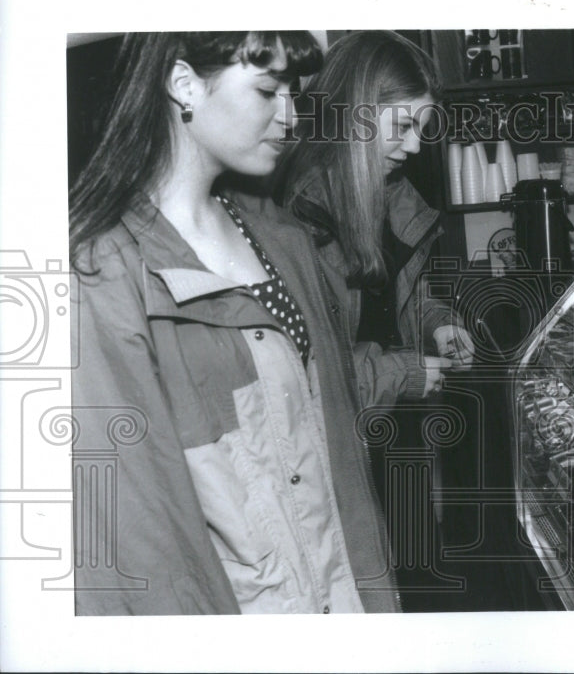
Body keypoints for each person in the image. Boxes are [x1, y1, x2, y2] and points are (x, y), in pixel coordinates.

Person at [69, 31, 398, 615]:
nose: (291, 116)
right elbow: (132, 534)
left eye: (293, 92)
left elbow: (335, 456)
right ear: (183, 84)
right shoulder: (103, 271)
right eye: (269, 90)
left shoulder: (284, 242)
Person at [274, 30, 474, 408]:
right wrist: (400, 374)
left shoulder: (394, 197)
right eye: (403, 127)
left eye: (421, 130)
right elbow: (305, 379)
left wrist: (440, 324)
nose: (415, 146)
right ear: (354, 115)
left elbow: (398, 296)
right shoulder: (294, 216)